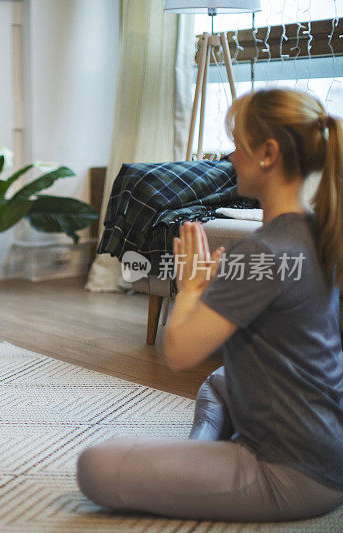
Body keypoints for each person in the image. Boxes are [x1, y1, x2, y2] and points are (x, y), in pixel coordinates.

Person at [77, 89, 343, 522]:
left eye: (238, 144)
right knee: (221, 380)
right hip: (329, 452)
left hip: (287, 474)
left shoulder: (261, 253)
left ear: (268, 153)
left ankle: (203, 458)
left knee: (97, 467)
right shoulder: (319, 232)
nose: (230, 155)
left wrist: (192, 288)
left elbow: (181, 353)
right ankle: (201, 454)